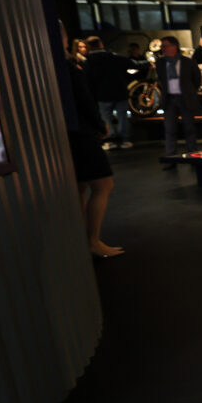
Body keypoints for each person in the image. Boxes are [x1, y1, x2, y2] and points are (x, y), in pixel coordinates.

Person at [64, 36, 123, 257]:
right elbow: (84, 99)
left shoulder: (69, 64)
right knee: (103, 185)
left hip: (70, 131)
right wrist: (99, 125)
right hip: (82, 131)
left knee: (80, 186)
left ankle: (83, 241)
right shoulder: (69, 66)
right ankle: (93, 241)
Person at [83, 36, 133, 149]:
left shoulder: (89, 61)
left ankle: (110, 141)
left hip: (102, 94)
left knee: (106, 118)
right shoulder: (112, 56)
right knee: (122, 117)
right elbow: (130, 63)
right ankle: (125, 140)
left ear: (89, 46)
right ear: (101, 44)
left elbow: (87, 80)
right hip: (119, 92)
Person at [157, 35, 202, 160]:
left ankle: (193, 156)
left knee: (189, 128)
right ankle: (171, 157)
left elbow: (196, 79)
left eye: (165, 46)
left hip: (185, 98)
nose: (163, 49)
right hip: (169, 99)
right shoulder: (161, 63)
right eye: (162, 46)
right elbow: (161, 79)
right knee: (170, 129)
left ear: (174, 46)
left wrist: (190, 92)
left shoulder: (188, 62)